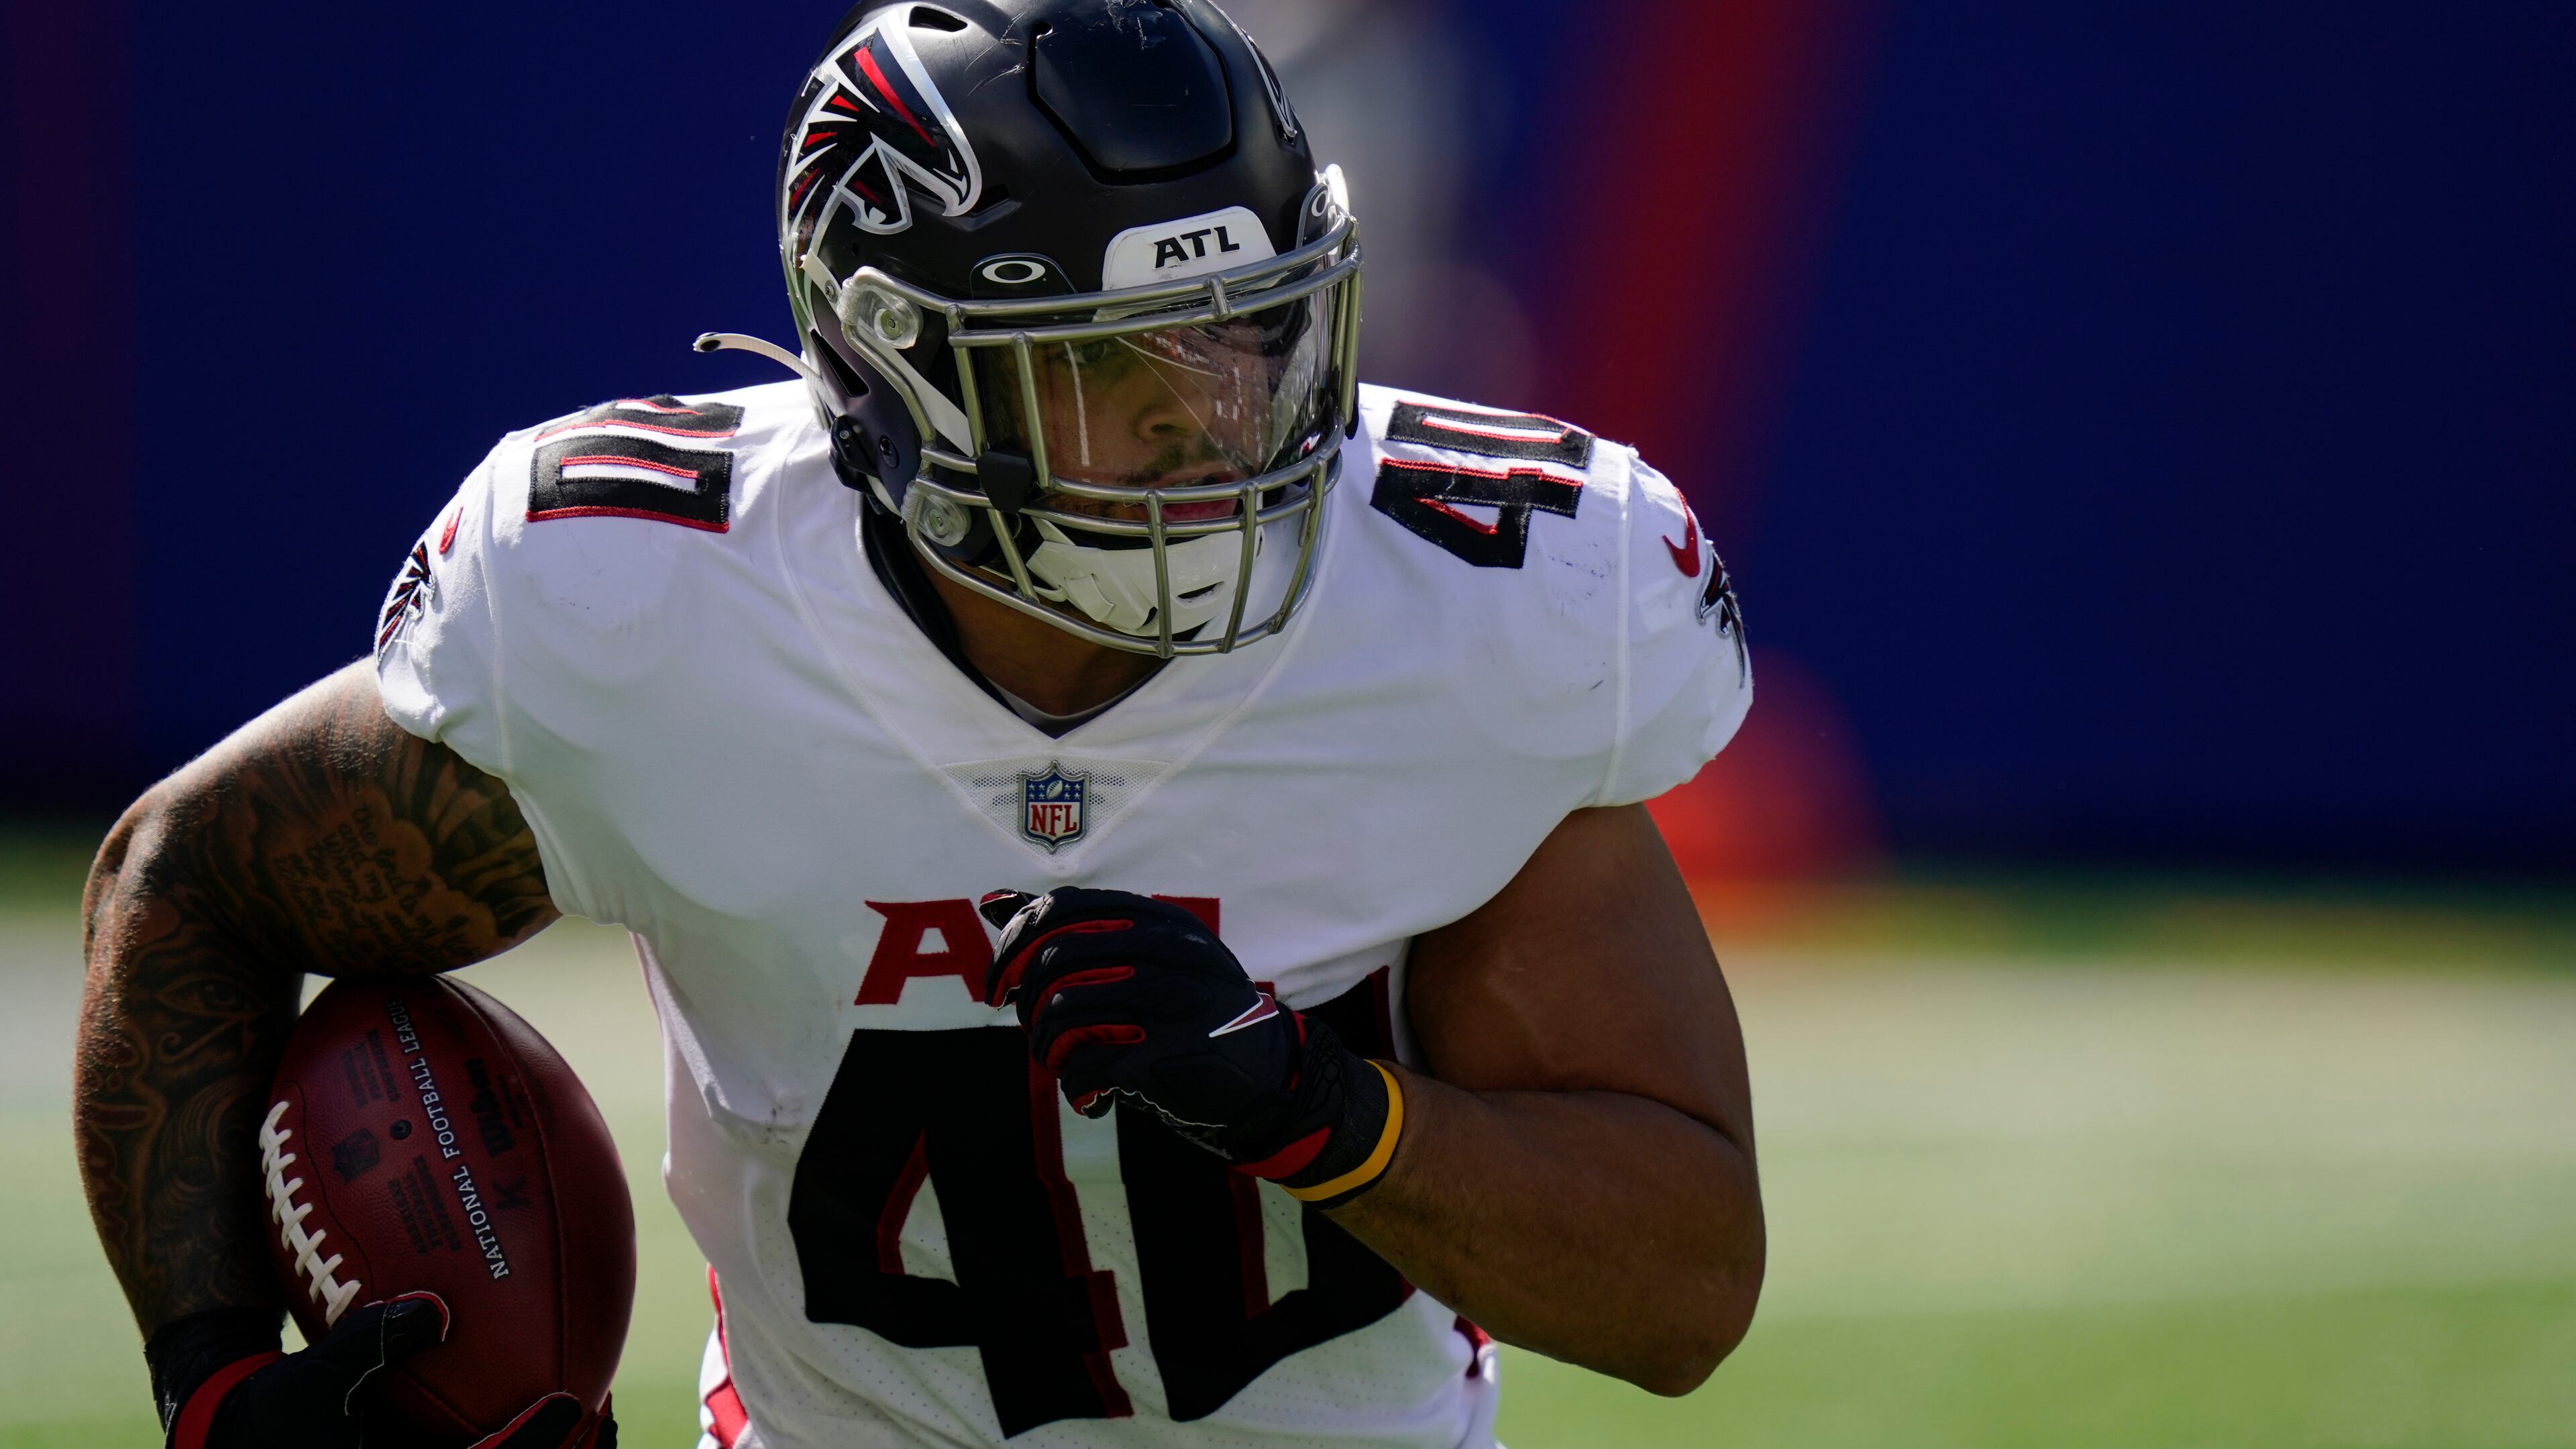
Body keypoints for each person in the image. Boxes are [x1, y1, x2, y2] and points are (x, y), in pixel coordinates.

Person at [74, 1, 1763, 1445]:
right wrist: (211, 1385)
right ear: (900, 376)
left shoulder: (1491, 603)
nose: (1218, 422)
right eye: (1114, 366)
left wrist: (1320, 1107)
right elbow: (188, 883)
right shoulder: (642, 607)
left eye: (1249, 334)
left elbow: (1682, 1293)